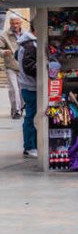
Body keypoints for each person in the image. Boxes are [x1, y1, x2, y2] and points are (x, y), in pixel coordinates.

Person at [16, 26, 37, 157]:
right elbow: (29, 67)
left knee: (32, 116)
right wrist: (46, 68)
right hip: (31, 87)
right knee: (32, 117)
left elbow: (15, 56)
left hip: (27, 86)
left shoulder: (24, 43)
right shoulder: (30, 45)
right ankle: (30, 146)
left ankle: (31, 145)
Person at [2, 14, 25, 119]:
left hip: (23, 67)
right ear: (10, 23)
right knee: (14, 89)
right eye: (12, 23)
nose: (15, 25)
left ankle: (18, 108)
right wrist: (3, 52)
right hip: (10, 66)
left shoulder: (26, 34)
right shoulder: (4, 35)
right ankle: (17, 111)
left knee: (21, 89)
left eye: (17, 23)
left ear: (21, 23)